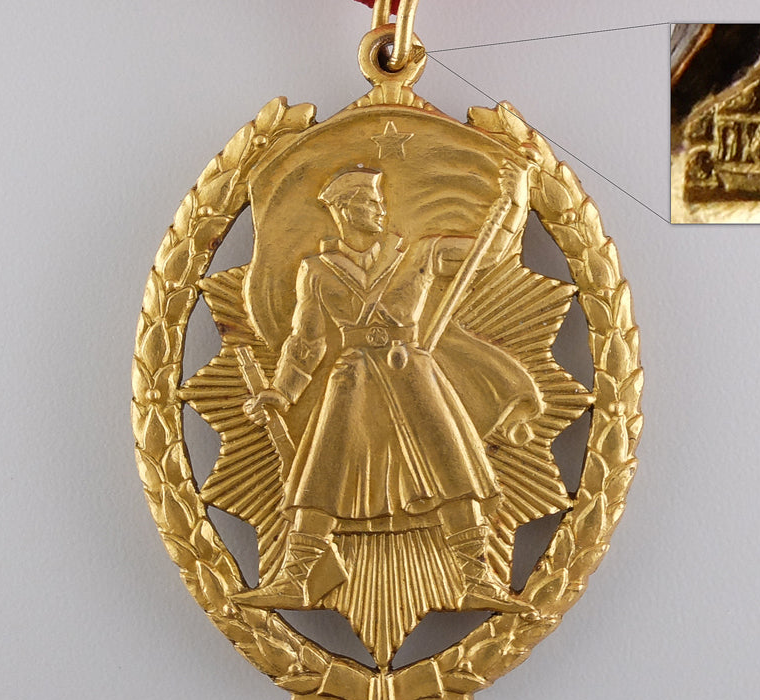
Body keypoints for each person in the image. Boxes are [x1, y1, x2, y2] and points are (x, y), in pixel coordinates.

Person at [232, 166, 543, 613]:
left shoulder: (420, 253)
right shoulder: (316, 270)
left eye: (380, 201)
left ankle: (478, 581)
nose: (380, 209)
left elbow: (490, 251)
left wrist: (514, 203)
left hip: (413, 374)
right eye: (368, 203)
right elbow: (306, 341)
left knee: (453, 469)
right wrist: (281, 392)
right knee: (321, 474)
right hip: (352, 378)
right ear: (343, 210)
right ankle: (295, 580)